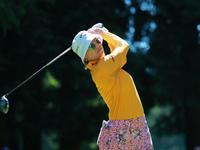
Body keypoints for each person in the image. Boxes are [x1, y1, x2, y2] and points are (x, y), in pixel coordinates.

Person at [72, 23, 153, 149]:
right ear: (86, 57)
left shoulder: (105, 66)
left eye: (98, 41)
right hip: (125, 128)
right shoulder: (101, 68)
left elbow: (122, 57)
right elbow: (124, 46)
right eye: (92, 46)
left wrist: (105, 33)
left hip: (135, 125)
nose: (98, 45)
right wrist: (104, 34)